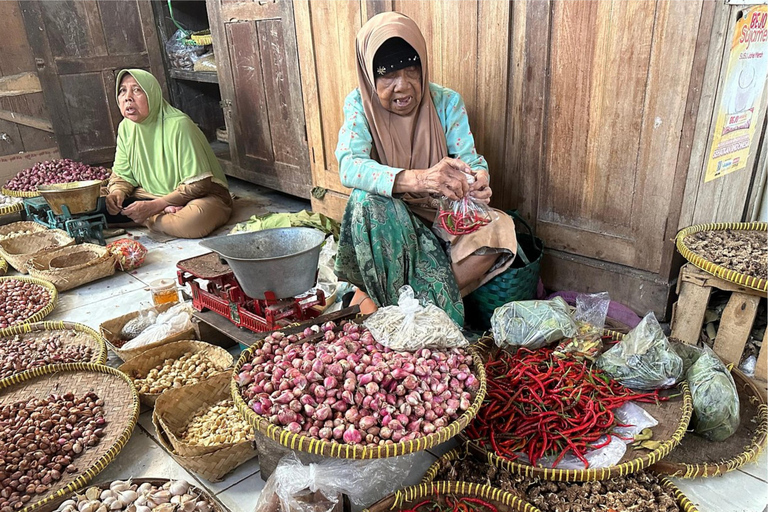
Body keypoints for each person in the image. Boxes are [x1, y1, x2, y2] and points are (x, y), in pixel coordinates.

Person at [334, 12, 517, 325]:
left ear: (423, 66)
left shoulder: (446, 102)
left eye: (411, 70)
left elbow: (469, 158)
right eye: (387, 75)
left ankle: (400, 306)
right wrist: (419, 179)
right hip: (391, 219)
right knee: (365, 202)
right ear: (369, 76)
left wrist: (478, 177)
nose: (402, 86)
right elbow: (350, 166)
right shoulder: (359, 105)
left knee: (499, 229)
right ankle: (421, 304)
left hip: (440, 215)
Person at [104, 69, 233, 239]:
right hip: (150, 194)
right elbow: (122, 176)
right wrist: (117, 194)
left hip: (199, 196)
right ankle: (156, 215)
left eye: (137, 90)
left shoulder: (179, 125)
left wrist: (156, 206)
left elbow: (200, 185)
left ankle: (145, 218)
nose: (128, 97)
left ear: (153, 95)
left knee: (194, 220)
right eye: (122, 90)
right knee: (96, 204)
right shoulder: (126, 127)